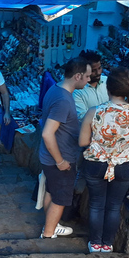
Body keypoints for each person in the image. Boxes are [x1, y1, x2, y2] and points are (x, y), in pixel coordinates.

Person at [79, 67, 129, 253]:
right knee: (114, 206)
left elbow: (83, 141)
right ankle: (107, 244)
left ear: (108, 88)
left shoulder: (94, 112)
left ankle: (95, 243)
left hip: (96, 164)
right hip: (124, 166)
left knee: (96, 203)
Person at [39, 57, 91, 239]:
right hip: (59, 158)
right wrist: (60, 161)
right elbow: (47, 133)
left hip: (50, 157)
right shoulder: (63, 100)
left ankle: (51, 224)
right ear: (77, 76)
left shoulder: (55, 90)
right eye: (87, 76)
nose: (89, 80)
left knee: (52, 192)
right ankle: (48, 233)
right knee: (60, 199)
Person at [73, 50, 109, 121]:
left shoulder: (107, 81)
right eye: (93, 70)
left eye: (99, 68)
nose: (98, 73)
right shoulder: (77, 91)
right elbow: (82, 118)